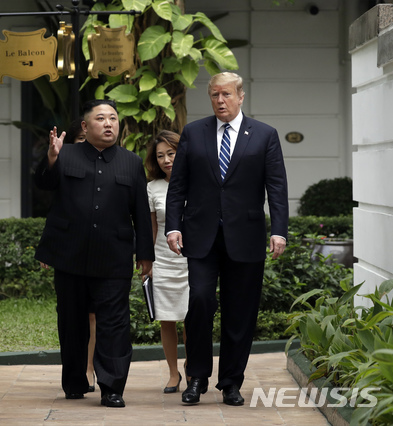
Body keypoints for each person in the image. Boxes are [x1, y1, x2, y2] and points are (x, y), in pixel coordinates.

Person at [165, 72, 288, 406]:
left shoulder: (264, 135)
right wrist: (172, 226)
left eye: (227, 95)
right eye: (215, 95)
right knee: (200, 302)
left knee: (240, 311)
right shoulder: (194, 132)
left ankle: (231, 381)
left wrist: (279, 230)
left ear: (241, 96)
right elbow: (178, 186)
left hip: (245, 236)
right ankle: (197, 378)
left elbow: (276, 187)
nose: (220, 101)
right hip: (201, 236)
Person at [34, 99, 154, 408]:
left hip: (113, 257)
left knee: (114, 324)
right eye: (101, 118)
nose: (109, 123)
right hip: (69, 255)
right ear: (85, 127)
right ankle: (75, 382)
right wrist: (50, 158)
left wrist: (145, 255)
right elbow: (43, 185)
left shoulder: (131, 162)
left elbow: (141, 211)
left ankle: (112, 387)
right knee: (72, 322)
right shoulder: (65, 153)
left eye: (113, 118)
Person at [40, 117, 96, 392]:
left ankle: (90, 367)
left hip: (101, 251)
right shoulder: (63, 162)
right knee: (72, 316)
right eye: (80, 142)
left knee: (95, 315)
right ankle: (76, 375)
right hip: (69, 251)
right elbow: (49, 191)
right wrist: (53, 155)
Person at [144, 130, 190, 394]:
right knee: (167, 320)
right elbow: (151, 229)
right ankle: (173, 374)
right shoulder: (152, 187)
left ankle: (192, 367)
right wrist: (146, 262)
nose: (166, 160)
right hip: (163, 260)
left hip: (192, 261)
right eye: (160, 155)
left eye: (171, 153)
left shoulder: (198, 181)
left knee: (192, 319)